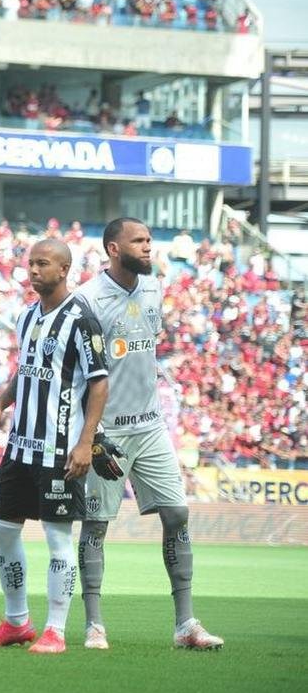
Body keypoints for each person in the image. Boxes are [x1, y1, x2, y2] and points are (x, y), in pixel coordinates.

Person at [75, 218, 224, 650]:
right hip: (108, 431)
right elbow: (79, 375)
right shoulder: (87, 299)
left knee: (177, 514)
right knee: (97, 525)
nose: (147, 248)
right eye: (138, 241)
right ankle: (94, 625)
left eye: (148, 241)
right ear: (113, 249)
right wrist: (92, 436)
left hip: (151, 425)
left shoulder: (155, 288)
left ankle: (185, 625)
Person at [0, 238, 109, 655]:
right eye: (30, 263)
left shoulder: (82, 320)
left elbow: (100, 382)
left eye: (42, 263)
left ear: (63, 269)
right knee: (2, 529)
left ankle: (56, 629)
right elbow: (27, 370)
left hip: (59, 450)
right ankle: (16, 622)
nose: (32, 270)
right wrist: (0, 403)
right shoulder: (27, 316)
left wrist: (85, 443)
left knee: (57, 538)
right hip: (20, 447)